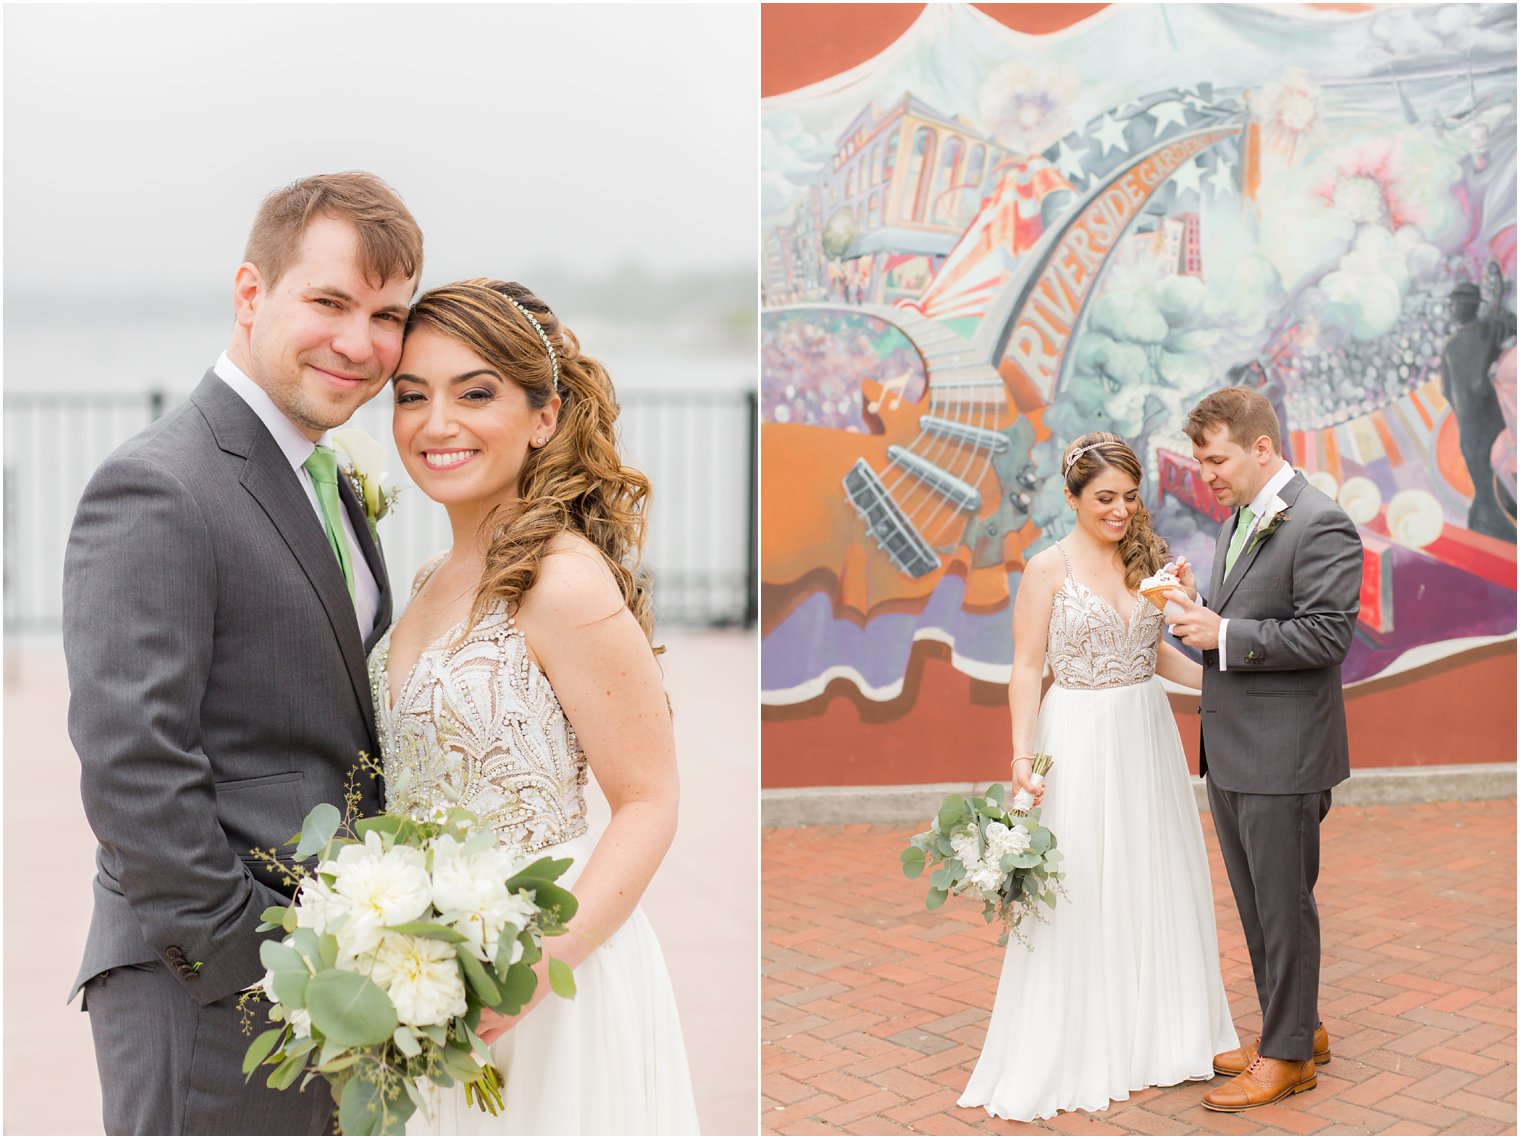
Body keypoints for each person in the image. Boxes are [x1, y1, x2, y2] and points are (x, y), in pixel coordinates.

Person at [62, 172, 423, 1134]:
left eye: (387, 315)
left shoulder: (324, 475)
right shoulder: (157, 486)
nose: (361, 343)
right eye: (330, 302)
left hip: (326, 987)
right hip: (213, 1002)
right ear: (252, 293)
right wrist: (252, 968)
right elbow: (134, 765)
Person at [373, 279, 700, 1135]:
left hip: (548, 983)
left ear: (544, 415)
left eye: (474, 392)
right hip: (437, 978)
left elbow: (650, 799)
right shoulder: (425, 583)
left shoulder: (562, 578)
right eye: (412, 397)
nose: (436, 422)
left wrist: (530, 970)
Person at [959, 431, 1237, 1122]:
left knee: (1153, 874)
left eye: (1130, 497)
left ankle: (1161, 1033)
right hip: (1077, 734)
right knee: (1081, 881)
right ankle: (1087, 1036)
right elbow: (1027, 667)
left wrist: (1220, 685)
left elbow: (1152, 655)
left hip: (1144, 734)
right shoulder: (1047, 568)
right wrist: (1022, 759)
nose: (1120, 510)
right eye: (1105, 498)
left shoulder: (1151, 556)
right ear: (1072, 497)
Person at [1163, 386, 1363, 1113]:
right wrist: (1198, 614)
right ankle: (1296, 1028)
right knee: (1255, 903)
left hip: (1285, 751)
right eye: (1200, 460)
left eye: (1216, 459)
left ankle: (1287, 1058)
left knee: (1284, 904)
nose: (1206, 473)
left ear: (1261, 448)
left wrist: (1226, 636)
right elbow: (1241, 621)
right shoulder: (1238, 520)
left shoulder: (1320, 522)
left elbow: (1328, 635)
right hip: (1234, 744)